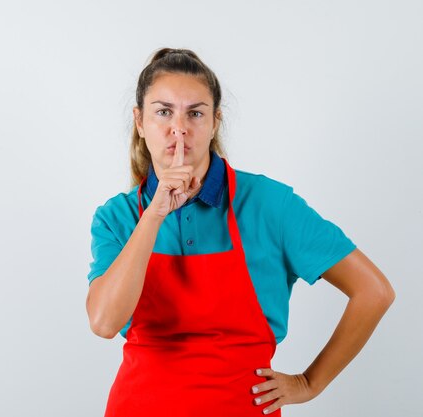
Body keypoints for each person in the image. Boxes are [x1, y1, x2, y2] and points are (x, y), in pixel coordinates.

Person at [85, 47, 395, 416]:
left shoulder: (270, 206)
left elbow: (374, 292)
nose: (179, 128)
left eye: (195, 113)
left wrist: (310, 383)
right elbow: (104, 322)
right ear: (140, 121)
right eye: (163, 111)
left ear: (215, 122)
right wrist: (155, 214)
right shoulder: (117, 217)